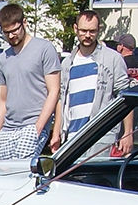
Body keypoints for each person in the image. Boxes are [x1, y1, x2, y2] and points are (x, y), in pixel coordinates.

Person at [0, 3, 61, 160]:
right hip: (7, 130)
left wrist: (39, 127)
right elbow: (2, 99)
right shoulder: (3, 57)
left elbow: (54, 91)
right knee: (8, 176)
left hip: (32, 125)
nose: (11, 36)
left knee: (24, 173)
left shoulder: (44, 49)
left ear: (24, 23)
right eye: (6, 32)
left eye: (14, 30)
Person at [54, 9, 130, 153]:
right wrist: (57, 131)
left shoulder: (112, 59)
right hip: (71, 137)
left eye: (92, 31)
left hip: (101, 136)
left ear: (99, 30)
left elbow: (125, 97)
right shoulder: (67, 63)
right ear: (75, 29)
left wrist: (128, 133)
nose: (87, 35)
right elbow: (61, 99)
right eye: (83, 31)